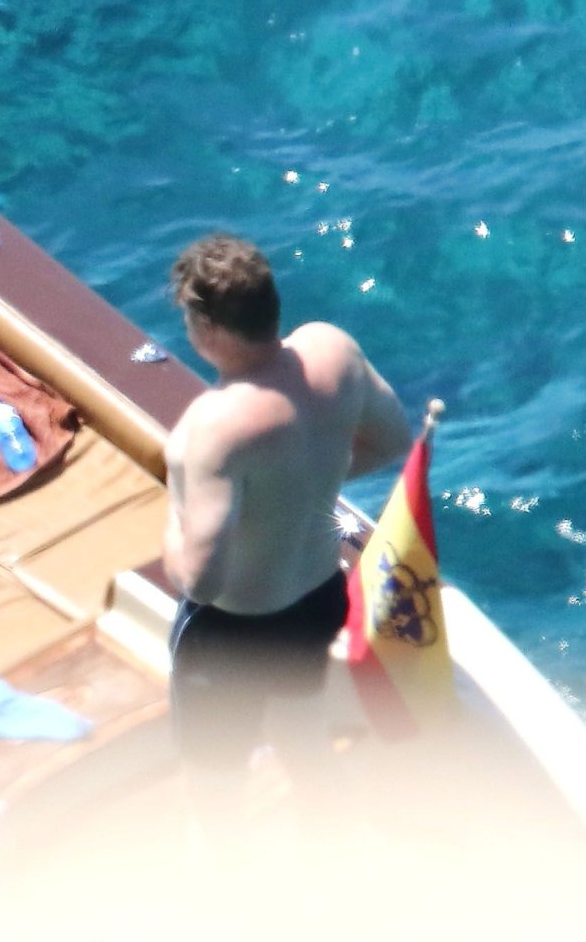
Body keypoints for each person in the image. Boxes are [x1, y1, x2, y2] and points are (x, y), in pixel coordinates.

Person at [161, 233, 412, 789]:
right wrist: (301, 488)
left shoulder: (212, 429)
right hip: (317, 600)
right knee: (301, 729)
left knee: (213, 777)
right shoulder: (333, 350)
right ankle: (325, 821)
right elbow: (393, 439)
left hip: (235, 633)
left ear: (206, 329)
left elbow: (201, 582)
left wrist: (173, 521)